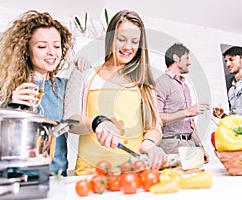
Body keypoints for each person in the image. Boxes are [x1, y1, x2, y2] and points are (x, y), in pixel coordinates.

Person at [64, 9, 166, 176]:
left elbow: (154, 126)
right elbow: (70, 121)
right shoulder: (86, 73)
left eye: (134, 41)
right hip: (90, 173)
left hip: (132, 173)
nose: (128, 47)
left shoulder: (144, 81)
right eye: (121, 39)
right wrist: (97, 123)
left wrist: (148, 143)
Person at [0, 10, 76, 176]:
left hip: (54, 180)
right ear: (25, 49)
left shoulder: (66, 88)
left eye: (56, 46)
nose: (52, 52)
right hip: (9, 180)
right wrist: (10, 106)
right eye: (42, 46)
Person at [155, 43, 210, 163]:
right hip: (172, 144)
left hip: (189, 143)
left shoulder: (185, 86)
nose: (189, 62)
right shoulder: (160, 83)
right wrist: (188, 111)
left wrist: (200, 146)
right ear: (176, 58)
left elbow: (189, 121)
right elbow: (157, 118)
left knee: (197, 178)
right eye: (187, 58)